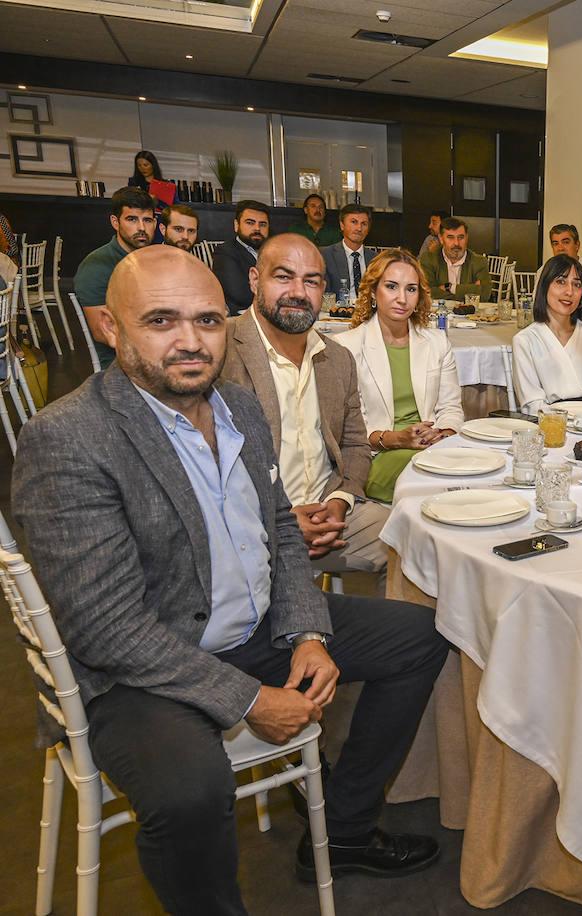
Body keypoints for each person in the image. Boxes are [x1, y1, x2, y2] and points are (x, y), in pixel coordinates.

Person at [10, 245, 448, 914]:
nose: (191, 342)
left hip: (254, 624)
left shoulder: (239, 407)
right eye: (161, 321)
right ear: (110, 328)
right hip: (145, 667)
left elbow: (279, 533)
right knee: (190, 789)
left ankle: (350, 827)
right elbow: (106, 629)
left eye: (208, 321)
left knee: (422, 635)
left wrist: (305, 629)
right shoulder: (70, 437)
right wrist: (249, 699)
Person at [220, 234, 390, 575]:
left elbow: (356, 444)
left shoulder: (337, 358)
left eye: (310, 281)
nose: (298, 292)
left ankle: (375, 627)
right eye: (283, 277)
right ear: (255, 280)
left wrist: (340, 501)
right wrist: (279, 519)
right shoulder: (221, 348)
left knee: (415, 544)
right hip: (249, 527)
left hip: (332, 517)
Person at [334, 249, 463, 503]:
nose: (402, 298)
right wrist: (395, 439)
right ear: (373, 292)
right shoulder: (347, 347)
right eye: (392, 287)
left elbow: (451, 407)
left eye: (411, 289)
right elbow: (348, 429)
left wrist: (444, 433)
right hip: (378, 454)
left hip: (433, 446)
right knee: (446, 486)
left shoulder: (436, 342)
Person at [510, 254, 582, 414]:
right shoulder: (525, 340)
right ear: (544, 287)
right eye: (560, 282)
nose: (569, 291)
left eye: (577, 285)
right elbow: (532, 403)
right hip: (549, 426)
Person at [75, 186, 157, 368]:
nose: (141, 228)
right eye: (132, 219)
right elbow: (101, 332)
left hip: (159, 350)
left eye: (147, 220)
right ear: (115, 222)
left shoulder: (153, 258)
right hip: (121, 363)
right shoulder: (96, 266)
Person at [212, 200, 270, 316]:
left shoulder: (274, 251)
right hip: (242, 320)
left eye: (262, 224)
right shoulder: (225, 251)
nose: (257, 228)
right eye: (250, 223)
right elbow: (240, 295)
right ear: (236, 225)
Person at [419, 217, 490, 302]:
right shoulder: (428, 259)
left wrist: (449, 287)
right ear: (441, 239)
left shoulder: (479, 262)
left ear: (467, 237)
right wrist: (470, 291)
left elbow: (485, 294)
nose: (456, 243)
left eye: (461, 237)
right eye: (450, 237)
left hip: (469, 314)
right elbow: (427, 292)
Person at [549, 223, 582, 320]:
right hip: (550, 329)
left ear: (577, 245)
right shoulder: (543, 270)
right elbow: (537, 302)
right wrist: (579, 292)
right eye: (555, 243)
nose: (560, 248)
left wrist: (552, 296)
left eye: (565, 242)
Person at [323, 203, 374, 299]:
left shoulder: (376, 259)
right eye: (354, 222)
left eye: (364, 224)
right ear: (342, 225)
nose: (359, 228)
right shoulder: (326, 255)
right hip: (337, 311)